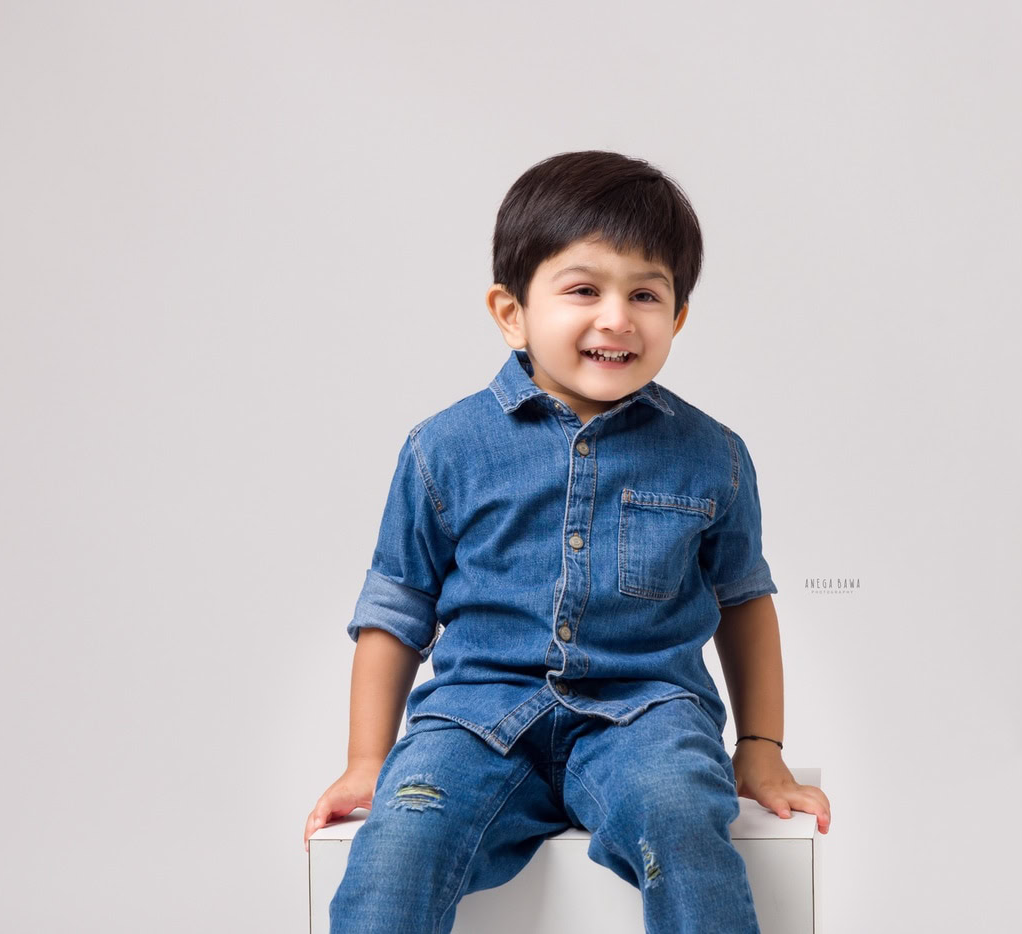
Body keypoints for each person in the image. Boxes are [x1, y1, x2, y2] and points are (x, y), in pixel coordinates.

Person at [305, 150, 831, 933]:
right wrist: (366, 760)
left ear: (678, 317)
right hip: (474, 722)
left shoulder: (712, 455)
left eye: (646, 294)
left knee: (683, 820)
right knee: (398, 845)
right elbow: (397, 605)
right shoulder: (442, 448)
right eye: (583, 289)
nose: (616, 317)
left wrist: (758, 743)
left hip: (646, 717)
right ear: (511, 310)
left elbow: (744, 601)